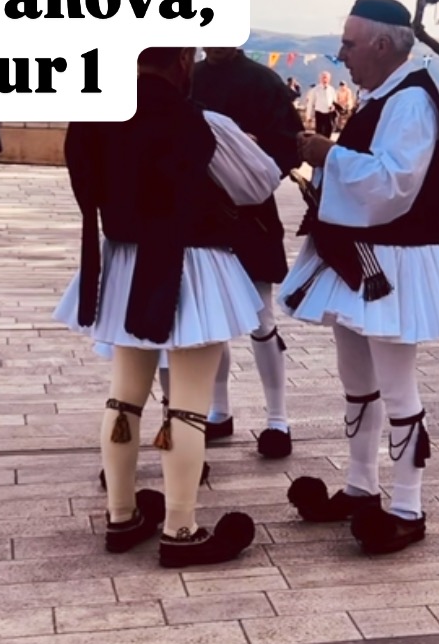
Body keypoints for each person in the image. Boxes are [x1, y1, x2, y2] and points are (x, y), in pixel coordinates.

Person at [55, 46, 281, 568]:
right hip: (192, 265)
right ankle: (181, 528)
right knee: (187, 404)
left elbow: (85, 185)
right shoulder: (201, 121)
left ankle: (121, 515)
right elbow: (259, 183)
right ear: (182, 63)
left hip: (124, 264)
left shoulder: (91, 115)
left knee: (124, 398)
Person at [281, 0, 439, 557]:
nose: (341, 55)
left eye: (348, 43)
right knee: (358, 380)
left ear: (382, 45)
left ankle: (408, 505)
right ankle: (361, 487)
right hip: (362, 257)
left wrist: (327, 153)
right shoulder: (385, 96)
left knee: (396, 384)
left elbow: (393, 186)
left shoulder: (410, 103)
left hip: (393, 261)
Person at [191, 42, 301, 459]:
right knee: (213, 320)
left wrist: (251, 151)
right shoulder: (190, 79)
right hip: (202, 214)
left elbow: (288, 145)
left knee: (261, 317)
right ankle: (219, 411)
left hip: (251, 213)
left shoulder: (264, 81)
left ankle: (278, 418)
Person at [306, 70, 338, 139]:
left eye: (326, 78)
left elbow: (334, 102)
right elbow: (310, 103)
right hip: (319, 112)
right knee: (319, 131)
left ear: (329, 79)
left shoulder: (332, 90)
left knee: (329, 129)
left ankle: (326, 145)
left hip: (329, 113)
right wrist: (309, 116)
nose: (325, 79)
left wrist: (333, 107)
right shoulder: (315, 90)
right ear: (320, 79)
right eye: (323, 77)